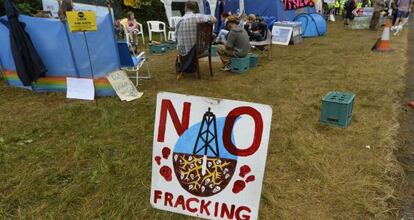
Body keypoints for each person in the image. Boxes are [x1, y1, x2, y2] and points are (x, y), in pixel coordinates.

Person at [175, 1, 216, 76]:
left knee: (180, 46)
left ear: (185, 8)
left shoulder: (180, 21)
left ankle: (185, 65)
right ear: (195, 8)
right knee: (213, 35)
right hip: (201, 49)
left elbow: (176, 38)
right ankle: (192, 65)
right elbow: (214, 19)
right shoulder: (200, 17)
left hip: (185, 51)